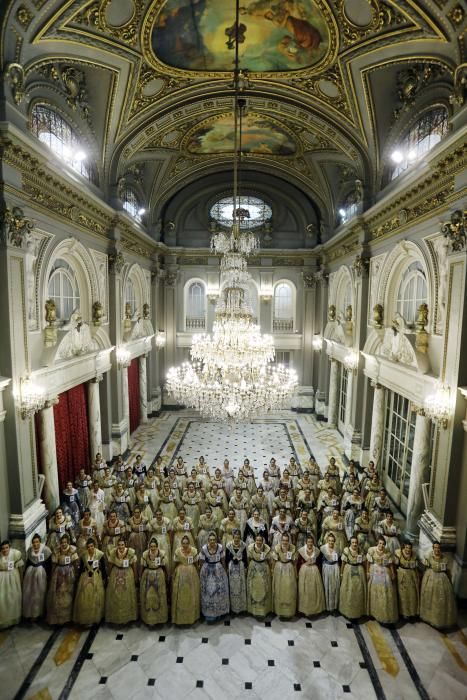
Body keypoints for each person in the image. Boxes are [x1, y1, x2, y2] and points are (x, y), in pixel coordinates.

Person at [420, 542, 457, 629]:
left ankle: (439, 619)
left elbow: (447, 571)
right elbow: (424, 566)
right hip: (430, 577)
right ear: (433, 548)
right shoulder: (429, 556)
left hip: (442, 579)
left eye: (438, 548)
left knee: (440, 599)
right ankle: (429, 617)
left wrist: (450, 580)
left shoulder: (444, 558)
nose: (437, 549)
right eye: (435, 547)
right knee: (430, 598)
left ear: (440, 549)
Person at [46, 533, 79, 625]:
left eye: (65, 542)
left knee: (69, 592)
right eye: (62, 542)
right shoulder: (57, 551)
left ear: (68, 542)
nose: (63, 544)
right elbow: (54, 564)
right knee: (58, 593)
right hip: (59, 573)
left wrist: (76, 574)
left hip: (69, 572)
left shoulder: (72, 550)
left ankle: (68, 617)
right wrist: (52, 574)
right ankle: (59, 617)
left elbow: (76, 563)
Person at [73, 538, 106, 626]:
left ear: (94, 546)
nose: (90, 548)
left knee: (96, 596)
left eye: (92, 546)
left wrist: (104, 579)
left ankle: (95, 618)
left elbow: (103, 567)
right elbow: (81, 567)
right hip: (86, 576)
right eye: (88, 547)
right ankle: (86, 618)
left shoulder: (100, 554)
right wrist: (78, 577)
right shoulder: (84, 555)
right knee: (84, 596)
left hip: (96, 576)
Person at [105, 538, 138, 624]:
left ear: (125, 545)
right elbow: (110, 564)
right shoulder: (113, 552)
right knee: (115, 595)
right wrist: (108, 575)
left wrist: (135, 576)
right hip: (115, 574)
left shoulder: (130, 553)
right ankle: (115, 617)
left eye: (122, 545)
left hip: (127, 574)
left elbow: (134, 565)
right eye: (119, 545)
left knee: (127, 595)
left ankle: (127, 617)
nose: (121, 546)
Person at [366, 536, 398, 624]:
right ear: (377, 543)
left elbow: (391, 564)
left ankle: (383, 613)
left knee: (384, 592)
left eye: (383, 544)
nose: (381, 545)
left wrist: (393, 573)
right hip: (374, 570)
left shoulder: (387, 552)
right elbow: (368, 562)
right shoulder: (372, 550)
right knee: (374, 592)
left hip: (384, 571)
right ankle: (373, 612)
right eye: (380, 543)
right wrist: (367, 572)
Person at [199, 532, 229, 622]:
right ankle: (209, 612)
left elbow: (223, 560)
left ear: (216, 540)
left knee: (219, 591)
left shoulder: (220, 547)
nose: (212, 541)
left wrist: (225, 570)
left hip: (218, 570)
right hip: (207, 570)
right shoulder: (204, 548)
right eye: (210, 540)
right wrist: (201, 571)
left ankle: (219, 612)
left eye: (214, 540)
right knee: (208, 592)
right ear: (208, 541)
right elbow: (201, 561)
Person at [172, 535, 200, 625]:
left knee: (192, 594)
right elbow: (175, 564)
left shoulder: (194, 551)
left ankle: (192, 616)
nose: (185, 545)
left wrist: (198, 573)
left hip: (192, 574)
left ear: (189, 543)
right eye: (183, 543)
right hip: (180, 574)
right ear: (181, 543)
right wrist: (174, 573)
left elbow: (196, 563)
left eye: (186, 543)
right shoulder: (177, 552)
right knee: (181, 594)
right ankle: (180, 618)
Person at [22, 534, 52, 620]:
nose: (35, 544)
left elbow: (49, 565)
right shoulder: (30, 550)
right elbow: (28, 562)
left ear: (40, 542)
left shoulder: (46, 550)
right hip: (30, 575)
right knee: (30, 593)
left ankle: (39, 613)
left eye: (37, 542)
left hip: (41, 574)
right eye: (34, 542)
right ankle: (31, 613)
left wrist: (48, 574)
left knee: (40, 593)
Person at [140, 538, 169, 626]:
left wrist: (167, 576)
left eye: (154, 546)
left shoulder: (162, 554)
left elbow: (165, 567)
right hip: (147, 575)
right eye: (151, 546)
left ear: (157, 546)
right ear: (149, 546)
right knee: (148, 596)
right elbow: (142, 567)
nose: (152, 548)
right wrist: (140, 576)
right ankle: (149, 619)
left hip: (159, 575)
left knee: (159, 595)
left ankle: (159, 618)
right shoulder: (145, 554)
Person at [339, 536, 367, 620]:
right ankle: (347, 611)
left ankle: (358, 611)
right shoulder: (346, 550)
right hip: (348, 570)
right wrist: (341, 573)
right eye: (353, 542)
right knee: (349, 590)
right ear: (350, 543)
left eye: (356, 542)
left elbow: (364, 562)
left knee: (358, 590)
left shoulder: (361, 551)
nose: (354, 544)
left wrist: (366, 572)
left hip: (359, 570)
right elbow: (343, 562)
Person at [297, 535, 325, 617]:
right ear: (306, 542)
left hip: (314, 571)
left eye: (311, 542)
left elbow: (319, 563)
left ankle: (314, 609)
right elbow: (298, 563)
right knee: (304, 590)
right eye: (308, 542)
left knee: (314, 590)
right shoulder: (302, 550)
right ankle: (304, 609)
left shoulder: (316, 551)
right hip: (304, 571)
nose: (310, 543)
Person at [271, 533, 297, 619]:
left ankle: (288, 611)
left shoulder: (292, 548)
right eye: (283, 540)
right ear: (281, 540)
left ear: (288, 540)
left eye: (286, 540)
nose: (285, 542)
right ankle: (279, 611)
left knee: (289, 588)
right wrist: (272, 571)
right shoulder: (277, 548)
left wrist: (295, 572)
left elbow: (294, 562)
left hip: (289, 568)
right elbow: (274, 560)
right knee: (279, 589)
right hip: (279, 568)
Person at [246, 534, 272, 618]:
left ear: (263, 541)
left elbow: (268, 560)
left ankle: (263, 610)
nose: (259, 542)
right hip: (253, 568)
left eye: (260, 540)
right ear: (255, 540)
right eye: (257, 540)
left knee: (264, 587)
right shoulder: (250, 548)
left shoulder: (267, 549)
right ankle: (253, 609)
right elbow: (249, 559)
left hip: (263, 568)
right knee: (253, 588)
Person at [0, 539, 24, 628]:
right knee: (3, 598)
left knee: (13, 597)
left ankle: (14, 618)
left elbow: (21, 567)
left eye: (6, 548)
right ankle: (4, 619)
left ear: (9, 547)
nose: (5, 550)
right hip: (2, 580)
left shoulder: (15, 554)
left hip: (13, 578)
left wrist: (21, 579)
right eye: (3, 548)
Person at [395, 541, 419, 619]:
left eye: (409, 548)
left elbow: (415, 567)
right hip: (402, 575)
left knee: (411, 594)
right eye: (406, 548)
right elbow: (395, 565)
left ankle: (411, 612)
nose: (408, 550)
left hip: (411, 575)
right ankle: (403, 612)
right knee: (403, 594)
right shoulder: (399, 553)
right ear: (403, 547)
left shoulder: (414, 555)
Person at [225, 530, 248, 614]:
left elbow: (245, 558)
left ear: (240, 538)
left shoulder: (243, 545)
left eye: (238, 537)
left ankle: (241, 607)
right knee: (232, 587)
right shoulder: (228, 545)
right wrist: (227, 568)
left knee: (241, 586)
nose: (237, 539)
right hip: (232, 568)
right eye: (235, 537)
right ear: (233, 537)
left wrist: (245, 567)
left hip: (240, 568)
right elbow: (227, 558)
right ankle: (233, 607)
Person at [320, 533, 340, 612]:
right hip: (327, 568)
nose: (331, 542)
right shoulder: (323, 548)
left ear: (334, 541)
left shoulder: (337, 549)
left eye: (332, 541)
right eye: (329, 541)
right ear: (327, 541)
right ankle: (327, 607)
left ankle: (333, 607)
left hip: (335, 568)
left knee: (334, 587)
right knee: (326, 586)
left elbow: (338, 560)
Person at [148, 508, 173, 574]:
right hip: (155, 538)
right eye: (157, 514)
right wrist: (149, 540)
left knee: (165, 554)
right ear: (155, 515)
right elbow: (150, 532)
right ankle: (156, 568)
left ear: (162, 514)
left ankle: (166, 571)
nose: (158, 516)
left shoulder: (167, 521)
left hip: (164, 538)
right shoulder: (152, 522)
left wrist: (170, 540)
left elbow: (170, 531)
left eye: (160, 514)